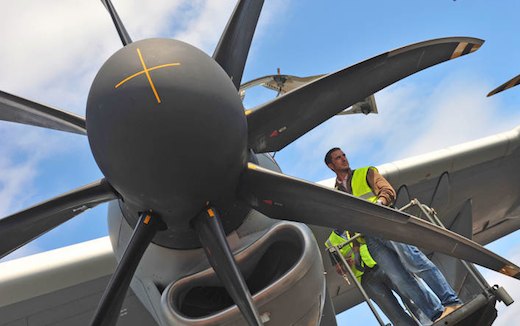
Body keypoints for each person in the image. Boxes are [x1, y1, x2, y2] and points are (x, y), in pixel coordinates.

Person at [324, 147, 463, 322]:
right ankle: (436, 314)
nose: (344, 159)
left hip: (387, 225)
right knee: (401, 280)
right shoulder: (335, 195)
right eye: (338, 158)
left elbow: (388, 191)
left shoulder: (366, 172)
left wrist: (379, 204)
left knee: (416, 262)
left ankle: (451, 302)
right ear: (331, 165)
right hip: (370, 239)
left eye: (344, 155)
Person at [325, 229, 418, 325]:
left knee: (411, 297)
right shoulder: (331, 242)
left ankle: (427, 321)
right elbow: (339, 269)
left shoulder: (356, 221)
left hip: (383, 264)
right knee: (394, 313)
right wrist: (346, 263)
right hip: (366, 278)